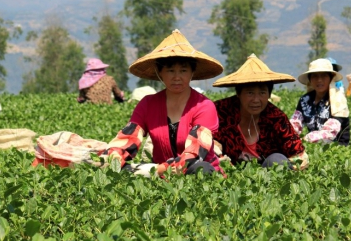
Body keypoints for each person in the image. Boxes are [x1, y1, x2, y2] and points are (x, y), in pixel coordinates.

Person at [104, 29, 224, 175]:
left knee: (201, 170)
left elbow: (195, 152)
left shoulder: (204, 106)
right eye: (170, 70)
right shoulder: (148, 104)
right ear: (160, 72)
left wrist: (155, 170)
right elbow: (129, 137)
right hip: (159, 176)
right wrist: (116, 157)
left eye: (183, 70)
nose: (177, 77)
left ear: (192, 72)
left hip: (192, 171)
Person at [213, 54, 306, 169]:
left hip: (268, 176)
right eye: (250, 93)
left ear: (269, 94)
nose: (256, 100)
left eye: (262, 93)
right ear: (238, 93)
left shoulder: (276, 118)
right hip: (228, 173)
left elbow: (299, 155)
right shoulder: (221, 111)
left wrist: (291, 167)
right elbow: (206, 138)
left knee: (276, 160)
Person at [291, 58, 351, 145]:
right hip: (312, 147)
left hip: (336, 148)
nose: (319, 80)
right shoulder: (305, 100)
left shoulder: (338, 99)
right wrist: (287, 134)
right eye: (315, 76)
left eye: (324, 76)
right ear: (310, 79)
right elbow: (295, 123)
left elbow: (330, 131)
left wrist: (305, 139)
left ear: (330, 78)